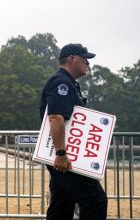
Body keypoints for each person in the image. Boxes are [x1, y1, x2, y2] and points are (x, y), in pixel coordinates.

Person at [39, 43, 108, 220]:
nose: (88, 62)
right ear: (72, 58)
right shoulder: (62, 83)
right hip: (65, 157)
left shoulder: (68, 82)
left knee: (62, 204)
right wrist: (61, 153)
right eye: (85, 58)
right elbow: (56, 117)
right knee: (95, 200)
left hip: (65, 156)